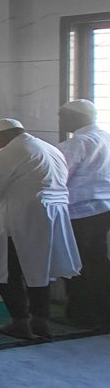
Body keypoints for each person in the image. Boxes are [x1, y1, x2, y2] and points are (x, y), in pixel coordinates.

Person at [0, 118, 80, 339]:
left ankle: (20, 323)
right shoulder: (49, 148)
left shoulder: (11, 150)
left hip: (22, 218)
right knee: (39, 271)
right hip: (53, 216)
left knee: (6, 270)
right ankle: (40, 321)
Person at [59, 99, 110, 327]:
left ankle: (81, 315)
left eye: (63, 115)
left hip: (79, 213)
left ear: (75, 116)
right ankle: (102, 312)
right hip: (103, 209)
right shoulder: (105, 137)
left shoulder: (77, 143)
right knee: (97, 261)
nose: (60, 120)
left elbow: (58, 179)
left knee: (76, 264)